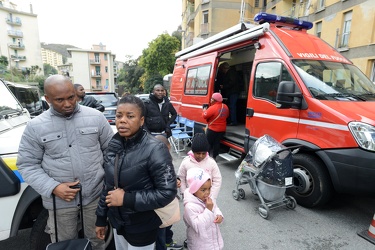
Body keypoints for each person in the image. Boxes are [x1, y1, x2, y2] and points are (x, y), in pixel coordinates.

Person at [17, 74, 114, 250]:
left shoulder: (96, 117)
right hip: (60, 202)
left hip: (95, 198)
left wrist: (108, 185)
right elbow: (27, 165)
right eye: (59, 100)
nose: (68, 104)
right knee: (64, 245)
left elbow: (112, 153)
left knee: (97, 242)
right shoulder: (35, 127)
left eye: (71, 97)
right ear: (47, 99)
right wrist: (54, 187)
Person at [95, 94, 177, 250]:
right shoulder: (114, 145)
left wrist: (127, 199)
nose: (122, 120)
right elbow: (108, 185)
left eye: (130, 116)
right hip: (118, 223)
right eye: (119, 115)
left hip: (142, 227)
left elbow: (167, 192)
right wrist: (101, 217)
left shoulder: (155, 149)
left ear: (142, 120)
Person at [183, 168, 224, 250]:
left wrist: (219, 215)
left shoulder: (208, 197)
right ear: (194, 189)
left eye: (209, 188)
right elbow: (198, 227)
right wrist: (208, 210)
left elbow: (215, 207)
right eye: (203, 190)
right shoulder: (190, 207)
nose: (208, 192)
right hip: (200, 245)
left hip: (212, 239)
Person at [154, 135, 183, 250]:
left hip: (169, 203)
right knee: (160, 231)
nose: (167, 154)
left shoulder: (167, 160)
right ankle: (162, 246)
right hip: (159, 207)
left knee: (168, 225)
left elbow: (171, 174)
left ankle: (168, 241)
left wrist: (177, 180)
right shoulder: (151, 163)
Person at [178, 133, 222, 200]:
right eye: (198, 153)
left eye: (203, 153)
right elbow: (181, 178)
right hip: (191, 198)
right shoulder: (186, 162)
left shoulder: (211, 163)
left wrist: (212, 196)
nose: (201, 156)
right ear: (193, 151)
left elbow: (217, 180)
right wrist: (184, 193)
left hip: (207, 198)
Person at [202, 93, 229, 160]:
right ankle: (214, 157)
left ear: (215, 100)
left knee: (208, 143)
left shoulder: (213, 108)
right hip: (222, 129)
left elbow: (204, 116)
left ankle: (206, 157)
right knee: (217, 143)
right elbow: (227, 115)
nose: (210, 100)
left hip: (213, 129)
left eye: (212, 99)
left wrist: (204, 110)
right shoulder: (225, 106)